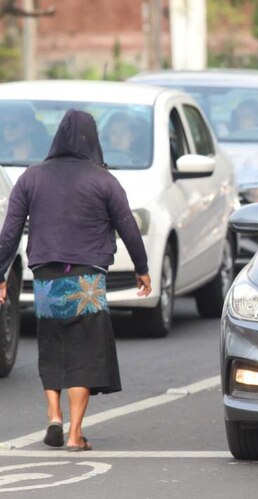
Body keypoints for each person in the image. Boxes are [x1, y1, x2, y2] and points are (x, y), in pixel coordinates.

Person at [0, 109, 152, 452]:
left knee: (52, 345)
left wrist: (0, 273)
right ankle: (74, 434)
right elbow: (128, 226)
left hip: (46, 278)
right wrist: (141, 268)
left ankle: (54, 417)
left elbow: (9, 232)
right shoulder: (103, 180)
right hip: (87, 280)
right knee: (85, 351)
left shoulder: (31, 177)